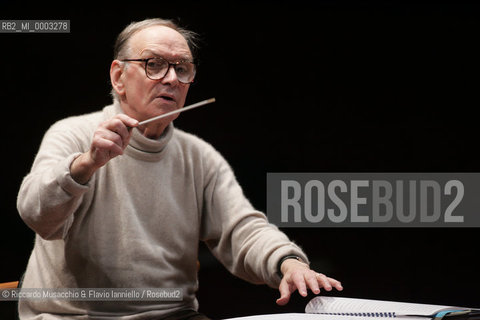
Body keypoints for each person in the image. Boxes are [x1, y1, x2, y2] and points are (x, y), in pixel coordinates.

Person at [16, 18, 342, 320]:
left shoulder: (199, 156)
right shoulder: (73, 134)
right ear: (118, 76)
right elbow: (35, 213)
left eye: (182, 68)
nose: (172, 78)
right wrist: (86, 164)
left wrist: (288, 262)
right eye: (154, 64)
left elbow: (242, 230)